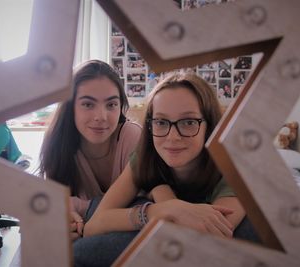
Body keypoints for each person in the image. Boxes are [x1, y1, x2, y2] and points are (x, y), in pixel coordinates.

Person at [76, 73, 254, 266]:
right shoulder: (146, 156)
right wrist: (165, 209)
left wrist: (161, 193)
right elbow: (94, 226)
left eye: (188, 122)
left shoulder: (234, 166)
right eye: (161, 122)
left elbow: (201, 243)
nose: (172, 137)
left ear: (209, 126)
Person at [38, 60, 141, 241]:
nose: (101, 117)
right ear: (71, 107)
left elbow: (138, 207)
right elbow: (57, 208)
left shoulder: (131, 136)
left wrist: (76, 206)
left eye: (111, 105)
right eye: (88, 104)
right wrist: (68, 222)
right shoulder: (59, 143)